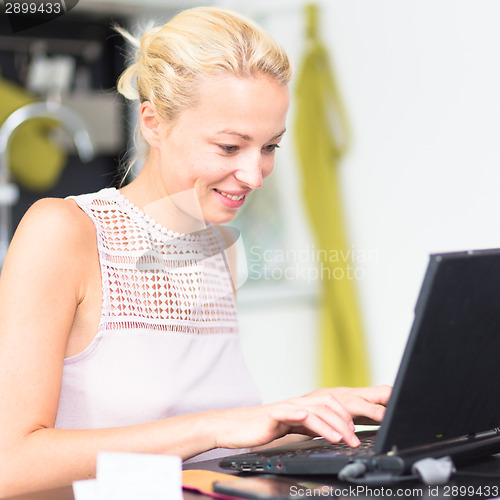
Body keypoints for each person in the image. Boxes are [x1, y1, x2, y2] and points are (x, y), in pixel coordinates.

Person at [0, 6, 391, 497]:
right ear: (153, 123)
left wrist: (300, 416)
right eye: (230, 147)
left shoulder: (218, 248)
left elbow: (204, 460)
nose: (254, 175)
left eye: (270, 146)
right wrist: (217, 424)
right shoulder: (64, 232)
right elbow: (10, 464)